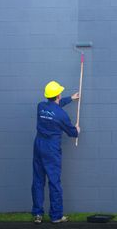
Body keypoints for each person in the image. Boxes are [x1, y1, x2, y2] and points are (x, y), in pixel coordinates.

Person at [31, 81, 80, 224]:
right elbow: (72, 133)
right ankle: (56, 216)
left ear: (48, 96)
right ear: (58, 94)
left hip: (38, 145)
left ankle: (37, 214)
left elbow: (53, 108)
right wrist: (77, 130)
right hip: (51, 149)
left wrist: (70, 98)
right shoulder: (61, 115)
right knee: (54, 182)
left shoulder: (40, 107)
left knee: (38, 180)